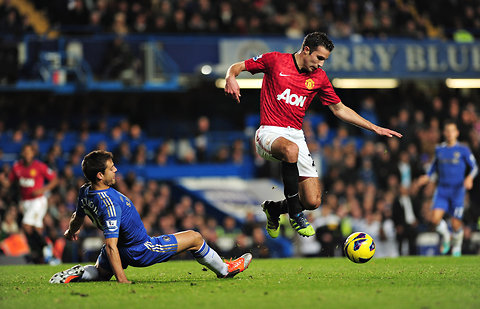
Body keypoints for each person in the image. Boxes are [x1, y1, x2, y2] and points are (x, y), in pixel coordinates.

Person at [224, 32, 402, 238]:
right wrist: (230, 78)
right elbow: (236, 67)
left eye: (324, 60)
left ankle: (274, 209)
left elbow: (339, 109)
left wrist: (374, 127)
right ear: (306, 50)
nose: (321, 65)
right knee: (290, 150)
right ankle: (295, 214)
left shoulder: (319, 78)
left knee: (313, 201)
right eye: (319, 58)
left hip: (296, 136)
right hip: (269, 132)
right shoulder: (275, 60)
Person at [50, 150, 251, 284]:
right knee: (195, 238)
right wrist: (122, 279)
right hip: (139, 249)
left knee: (101, 273)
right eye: (111, 168)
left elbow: (78, 215)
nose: (116, 170)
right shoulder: (109, 202)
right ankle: (225, 269)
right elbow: (111, 244)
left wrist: (70, 231)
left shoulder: (85, 191)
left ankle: (79, 274)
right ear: (100, 175)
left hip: (121, 248)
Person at [418, 120, 478, 256]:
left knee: (456, 224)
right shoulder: (439, 149)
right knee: (434, 220)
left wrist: (469, 178)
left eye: (452, 131)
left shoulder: (463, 149)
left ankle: (456, 248)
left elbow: (474, 167)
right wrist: (426, 177)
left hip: (458, 191)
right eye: (447, 131)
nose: (450, 133)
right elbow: (433, 167)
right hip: (442, 191)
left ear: (457, 133)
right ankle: (446, 237)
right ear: (444, 133)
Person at [8, 143, 58, 263]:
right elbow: (10, 182)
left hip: (38, 200)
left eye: (29, 151)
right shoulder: (16, 167)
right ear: (22, 153)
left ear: (33, 153)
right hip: (25, 202)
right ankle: (42, 256)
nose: (27, 154)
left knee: (26, 226)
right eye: (25, 152)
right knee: (37, 228)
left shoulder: (39, 166)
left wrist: (43, 189)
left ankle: (46, 247)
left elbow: (55, 180)